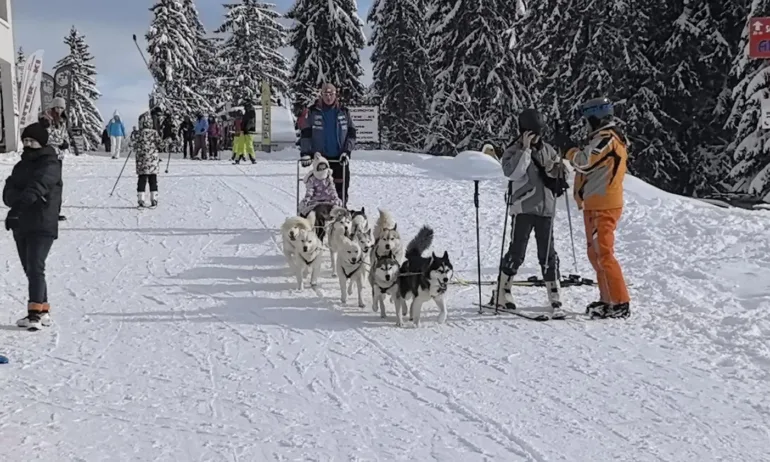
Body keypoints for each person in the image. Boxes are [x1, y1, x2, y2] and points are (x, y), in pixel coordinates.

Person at [491, 109, 568, 317]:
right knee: (517, 251)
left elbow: (560, 173)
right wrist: (524, 149)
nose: (535, 136)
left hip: (546, 208)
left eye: (538, 132)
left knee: (548, 252)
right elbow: (513, 172)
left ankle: (554, 290)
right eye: (531, 132)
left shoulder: (548, 149)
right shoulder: (513, 150)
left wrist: (559, 170)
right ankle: (503, 290)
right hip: (523, 208)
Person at [558, 97, 630, 319]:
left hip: (604, 205)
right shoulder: (601, 138)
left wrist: (568, 148)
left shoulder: (607, 139)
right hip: (595, 203)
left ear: (595, 118)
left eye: (587, 120)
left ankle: (619, 302)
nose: (585, 125)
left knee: (604, 253)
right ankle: (607, 299)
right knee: (596, 254)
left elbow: (583, 161)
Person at [3, 123, 63, 330]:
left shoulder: (50, 164)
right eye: (26, 140)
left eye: (32, 140)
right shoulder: (20, 166)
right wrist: (17, 202)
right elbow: (8, 191)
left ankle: (34, 314)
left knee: (36, 266)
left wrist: (18, 206)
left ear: (42, 142)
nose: (28, 144)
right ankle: (43, 310)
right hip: (22, 223)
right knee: (30, 268)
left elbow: (38, 188)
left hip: (42, 222)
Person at [299, 84, 356, 205]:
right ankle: (322, 214)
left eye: (331, 94)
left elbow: (351, 133)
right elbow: (306, 133)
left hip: (340, 158)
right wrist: (305, 153)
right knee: (322, 191)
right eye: (325, 94)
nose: (328, 97)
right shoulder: (313, 111)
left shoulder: (344, 111)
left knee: (341, 191)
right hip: (321, 159)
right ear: (321, 95)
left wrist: (347, 151)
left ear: (336, 95)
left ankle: (341, 211)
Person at [38, 97, 69, 222]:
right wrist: (61, 142)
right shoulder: (46, 119)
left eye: (62, 108)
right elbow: (46, 136)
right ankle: (43, 211)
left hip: (58, 156)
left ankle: (54, 211)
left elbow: (64, 134)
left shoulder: (62, 120)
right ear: (53, 107)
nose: (59, 110)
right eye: (57, 107)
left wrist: (66, 142)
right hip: (48, 154)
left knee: (57, 184)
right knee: (48, 183)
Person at [134, 112, 162, 208]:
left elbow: (132, 145)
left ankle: (141, 199)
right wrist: (169, 140)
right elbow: (161, 144)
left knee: (142, 179)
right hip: (152, 161)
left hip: (141, 161)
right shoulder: (154, 133)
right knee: (153, 180)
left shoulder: (138, 133)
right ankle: (154, 199)